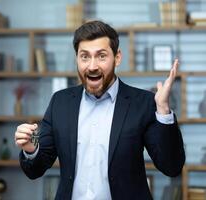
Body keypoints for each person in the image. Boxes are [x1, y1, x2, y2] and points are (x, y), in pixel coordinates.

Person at [14, 20, 185, 200]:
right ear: (77, 59)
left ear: (117, 57)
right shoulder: (60, 102)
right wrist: (31, 149)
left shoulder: (143, 103)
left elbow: (171, 166)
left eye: (101, 56)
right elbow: (35, 170)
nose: (92, 66)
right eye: (85, 56)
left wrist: (164, 111)